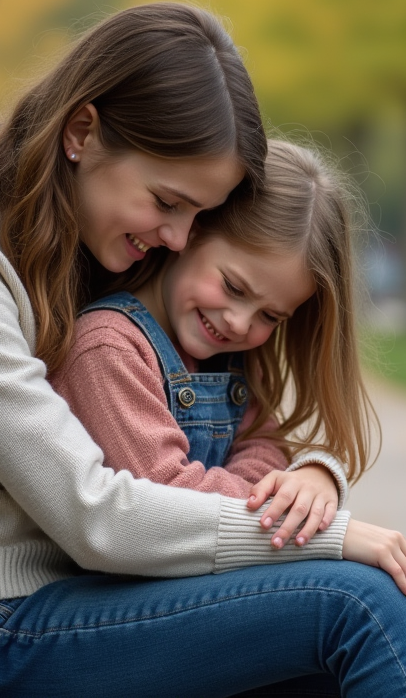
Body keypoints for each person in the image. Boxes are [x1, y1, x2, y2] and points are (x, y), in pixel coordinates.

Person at [0, 4, 406, 697]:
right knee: (358, 604)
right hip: (0, 628)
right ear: (82, 133)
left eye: (196, 216)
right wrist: (327, 535)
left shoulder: (77, 232)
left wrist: (316, 473)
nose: (179, 240)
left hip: (101, 595)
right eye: (167, 202)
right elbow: (95, 515)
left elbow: (253, 434)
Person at [50, 141, 371, 553]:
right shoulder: (108, 348)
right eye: (234, 287)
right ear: (192, 231)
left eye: (270, 316)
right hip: (126, 581)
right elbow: (167, 497)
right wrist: (272, 501)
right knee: (363, 584)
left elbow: (264, 447)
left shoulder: (229, 360)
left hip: (200, 567)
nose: (240, 323)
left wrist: (314, 475)